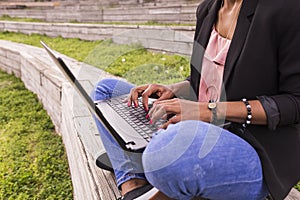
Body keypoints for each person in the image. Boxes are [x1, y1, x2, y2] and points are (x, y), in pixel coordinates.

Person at [91, 0, 300, 199]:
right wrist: (173, 89)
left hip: (251, 147)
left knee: (167, 148)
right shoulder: (208, 9)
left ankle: (147, 165)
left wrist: (210, 111)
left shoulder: (287, 8)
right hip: (197, 128)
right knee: (106, 91)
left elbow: (295, 102)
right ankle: (133, 187)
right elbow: (207, 79)